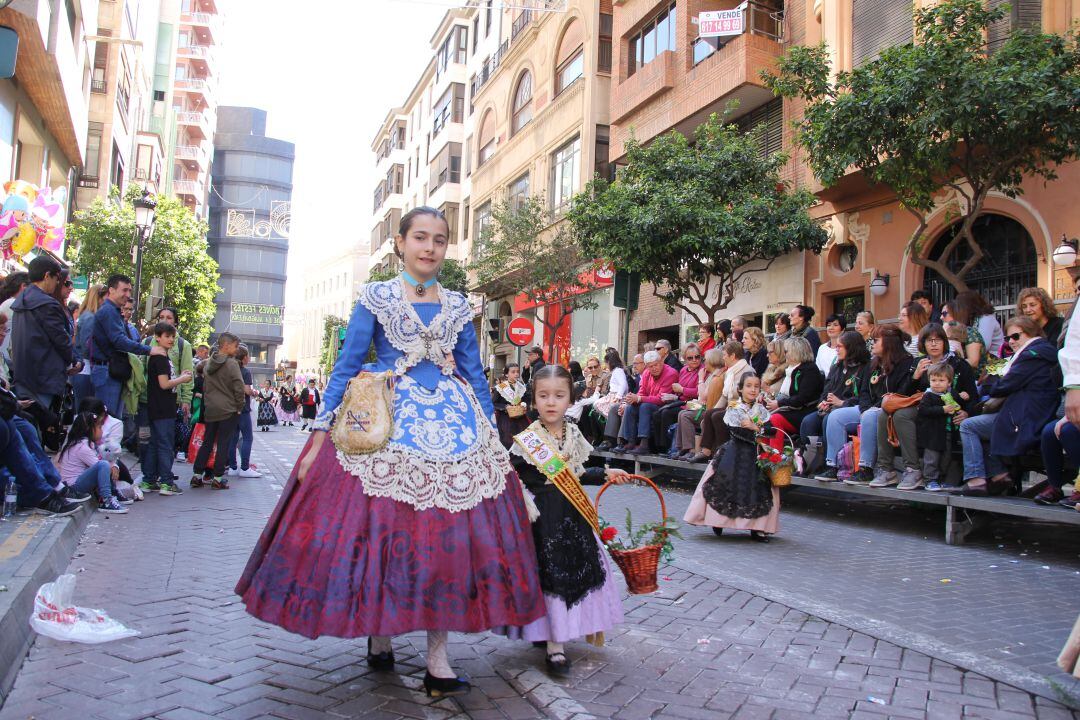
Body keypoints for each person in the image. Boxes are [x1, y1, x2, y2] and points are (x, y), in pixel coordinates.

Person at [235, 207, 543, 697]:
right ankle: (380, 635)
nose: (430, 247)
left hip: (457, 428)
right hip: (384, 423)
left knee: (447, 543)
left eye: (439, 239)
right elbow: (347, 365)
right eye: (420, 237)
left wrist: (493, 438)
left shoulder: (459, 305)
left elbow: (473, 374)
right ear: (400, 243)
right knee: (382, 532)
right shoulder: (376, 296)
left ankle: (437, 660)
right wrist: (319, 435)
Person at [502, 364, 627, 676]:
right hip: (542, 520)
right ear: (533, 400)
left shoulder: (573, 432)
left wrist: (606, 473)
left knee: (573, 574)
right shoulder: (527, 440)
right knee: (549, 577)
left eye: (559, 395)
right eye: (543, 395)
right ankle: (554, 646)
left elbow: (577, 473)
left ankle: (558, 632)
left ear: (570, 399)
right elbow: (512, 478)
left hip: (572, 515)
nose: (551, 402)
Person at [953, 316, 1061, 496]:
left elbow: (1004, 385)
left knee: (968, 426)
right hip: (1029, 414)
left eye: (1016, 336)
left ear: (1031, 333)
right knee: (979, 425)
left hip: (1025, 419)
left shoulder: (1031, 355)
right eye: (1007, 338)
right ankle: (999, 475)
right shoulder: (1040, 352)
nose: (1011, 341)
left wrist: (990, 383)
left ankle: (976, 480)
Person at [875, 323, 978, 491]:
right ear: (923, 344)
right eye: (929, 341)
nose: (934, 344)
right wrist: (915, 376)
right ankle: (888, 469)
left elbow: (973, 395)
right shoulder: (917, 362)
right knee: (884, 414)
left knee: (901, 416)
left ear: (944, 342)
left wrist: (967, 412)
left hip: (948, 412)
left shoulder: (958, 364)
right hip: (923, 408)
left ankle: (913, 469)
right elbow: (902, 394)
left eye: (938, 340)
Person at [684, 373, 775, 542]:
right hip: (735, 452)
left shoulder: (761, 410)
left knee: (758, 489)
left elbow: (772, 431)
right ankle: (718, 521)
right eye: (748, 386)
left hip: (755, 454)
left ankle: (757, 528)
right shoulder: (734, 408)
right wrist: (756, 430)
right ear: (740, 389)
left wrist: (756, 428)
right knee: (724, 486)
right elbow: (738, 431)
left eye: (756, 386)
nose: (753, 390)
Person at [817, 326, 914, 483]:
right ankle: (834, 466)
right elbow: (864, 392)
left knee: (869, 416)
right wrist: (864, 408)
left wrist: (870, 409)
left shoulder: (905, 362)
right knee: (835, 416)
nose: (872, 344)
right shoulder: (873, 363)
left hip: (889, 408)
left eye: (876, 340)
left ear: (888, 342)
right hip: (868, 407)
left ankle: (865, 468)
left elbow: (900, 392)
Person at [10, 256, 75, 410]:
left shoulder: (22, 299)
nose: (57, 283)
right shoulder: (47, 304)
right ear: (47, 276)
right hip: (44, 376)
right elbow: (61, 340)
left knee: (32, 419)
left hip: (23, 374)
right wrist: (73, 361)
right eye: (57, 278)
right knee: (42, 419)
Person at [89, 274, 150, 418]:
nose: (128, 295)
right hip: (107, 371)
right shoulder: (109, 311)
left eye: (129, 291)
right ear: (111, 290)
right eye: (124, 290)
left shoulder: (113, 311)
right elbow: (119, 341)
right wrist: (150, 350)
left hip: (111, 370)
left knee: (112, 420)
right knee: (107, 420)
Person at [191, 333, 246, 490]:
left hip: (211, 408)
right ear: (226, 345)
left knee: (207, 442)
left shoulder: (208, 363)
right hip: (228, 409)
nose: (237, 349)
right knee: (223, 443)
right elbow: (238, 387)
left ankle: (197, 475)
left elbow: (206, 387)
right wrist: (239, 407)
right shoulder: (232, 364)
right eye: (235, 346)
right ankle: (218, 478)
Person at [144, 322, 193, 495]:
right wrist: (182, 379)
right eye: (167, 336)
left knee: (155, 443)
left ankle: (149, 480)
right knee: (165, 445)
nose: (171, 339)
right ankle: (166, 482)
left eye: (172, 336)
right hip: (163, 408)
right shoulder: (160, 359)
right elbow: (164, 384)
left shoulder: (161, 358)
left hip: (158, 407)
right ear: (157, 337)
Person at [799, 330, 870, 448]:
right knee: (808, 422)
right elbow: (826, 391)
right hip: (831, 408)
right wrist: (823, 403)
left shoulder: (866, 368)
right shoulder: (836, 367)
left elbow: (865, 396)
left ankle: (831, 457)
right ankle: (813, 455)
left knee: (828, 420)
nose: (836, 349)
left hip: (850, 409)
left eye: (840, 346)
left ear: (851, 348)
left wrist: (842, 403)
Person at [57, 411, 128, 514]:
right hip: (73, 488)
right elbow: (101, 467)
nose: (101, 431)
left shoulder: (83, 443)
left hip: (75, 484)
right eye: (99, 427)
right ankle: (106, 500)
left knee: (106, 462)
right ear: (88, 429)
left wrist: (113, 465)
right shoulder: (82, 447)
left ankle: (112, 493)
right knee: (103, 465)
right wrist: (112, 466)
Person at [614, 350, 678, 455]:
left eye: (656, 365)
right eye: (650, 366)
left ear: (661, 362)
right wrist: (632, 399)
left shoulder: (671, 373)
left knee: (645, 406)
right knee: (630, 407)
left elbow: (660, 399)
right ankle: (630, 442)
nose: (654, 368)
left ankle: (644, 444)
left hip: (664, 406)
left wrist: (639, 398)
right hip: (649, 403)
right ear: (646, 366)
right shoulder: (647, 373)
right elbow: (642, 391)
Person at [764, 337, 823, 447]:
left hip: (805, 411)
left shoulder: (809, 370)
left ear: (796, 352)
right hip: (793, 408)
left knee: (775, 419)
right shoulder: (792, 369)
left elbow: (802, 398)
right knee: (761, 419)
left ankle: (775, 455)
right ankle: (764, 453)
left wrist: (779, 403)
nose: (784, 354)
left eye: (786, 351)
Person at [916, 363, 961, 492]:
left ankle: (941, 479)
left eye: (941, 380)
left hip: (947, 431)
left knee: (946, 457)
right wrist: (942, 409)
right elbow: (924, 410)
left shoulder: (951, 394)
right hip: (932, 433)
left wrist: (962, 398)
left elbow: (958, 404)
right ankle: (930, 479)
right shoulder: (929, 395)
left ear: (949, 382)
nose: (937, 383)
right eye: (933, 380)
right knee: (932, 457)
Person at [675, 347, 725, 461]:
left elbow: (702, 396)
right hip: (703, 406)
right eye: (690, 358)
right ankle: (682, 448)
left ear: (712, 361)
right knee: (682, 412)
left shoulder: (716, 376)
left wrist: (701, 378)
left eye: (703, 359)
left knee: (685, 415)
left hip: (710, 409)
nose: (703, 362)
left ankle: (691, 450)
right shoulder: (711, 374)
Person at [654, 343, 702, 456]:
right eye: (690, 358)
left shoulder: (702, 370)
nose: (694, 360)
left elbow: (699, 392)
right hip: (681, 402)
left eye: (697, 357)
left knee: (667, 413)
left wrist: (682, 390)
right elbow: (679, 390)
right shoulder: (684, 370)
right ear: (684, 359)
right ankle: (658, 448)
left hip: (697, 404)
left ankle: (669, 448)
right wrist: (674, 395)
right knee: (657, 413)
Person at [225, 345, 259, 477]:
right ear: (244, 357)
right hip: (243, 408)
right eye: (248, 355)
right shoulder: (245, 372)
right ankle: (245, 468)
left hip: (230, 408)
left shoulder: (229, 370)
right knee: (247, 438)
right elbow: (246, 390)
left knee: (232, 438)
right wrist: (253, 392)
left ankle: (232, 467)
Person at [72, 285, 106, 409]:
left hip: (85, 368)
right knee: (86, 409)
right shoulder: (90, 318)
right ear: (99, 298)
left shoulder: (87, 316)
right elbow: (87, 346)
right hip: (86, 369)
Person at [593, 350, 630, 450]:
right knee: (596, 405)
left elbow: (623, 384)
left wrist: (618, 396)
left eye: (606, 363)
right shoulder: (615, 371)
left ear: (610, 362)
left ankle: (610, 425)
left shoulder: (618, 371)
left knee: (597, 404)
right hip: (612, 395)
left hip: (616, 396)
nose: (606, 365)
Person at [493, 363, 529, 448]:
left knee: (522, 441)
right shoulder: (501, 387)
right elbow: (494, 403)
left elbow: (526, 399)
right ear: (506, 374)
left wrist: (524, 405)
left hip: (520, 418)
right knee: (507, 442)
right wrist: (505, 407)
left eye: (517, 371)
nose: (516, 374)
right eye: (513, 372)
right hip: (505, 419)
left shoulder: (521, 387)